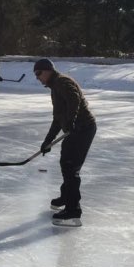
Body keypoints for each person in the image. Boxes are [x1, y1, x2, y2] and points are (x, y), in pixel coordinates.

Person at [34, 58, 96, 227]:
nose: (38, 77)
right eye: (36, 75)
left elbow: (74, 99)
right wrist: (48, 140)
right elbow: (57, 119)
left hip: (82, 129)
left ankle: (73, 210)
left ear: (48, 71)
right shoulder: (54, 87)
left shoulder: (62, 82)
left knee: (71, 167)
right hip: (75, 129)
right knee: (66, 163)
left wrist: (72, 121)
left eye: (39, 73)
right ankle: (66, 196)